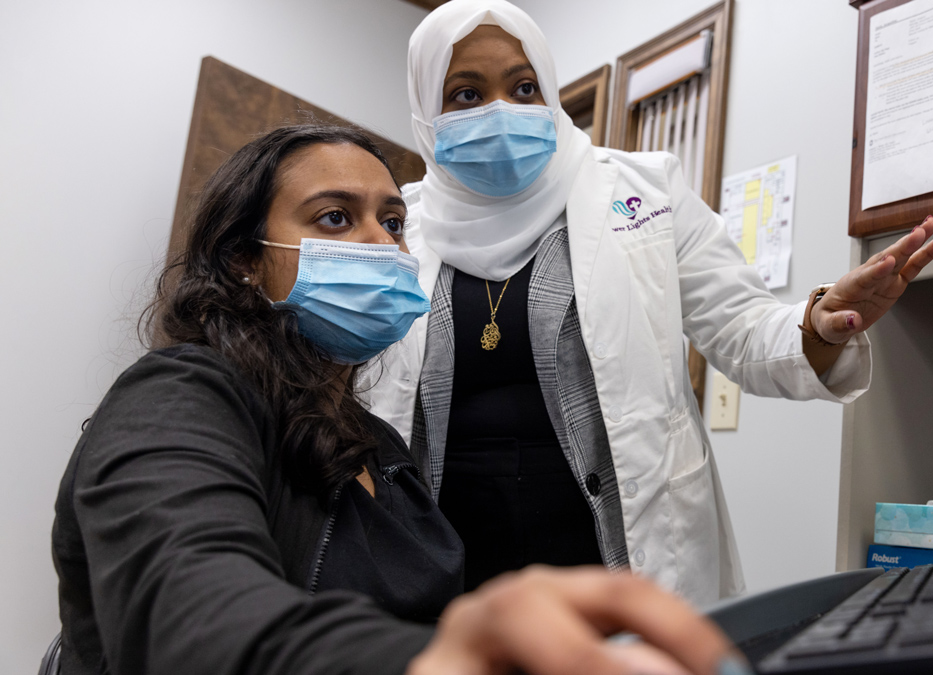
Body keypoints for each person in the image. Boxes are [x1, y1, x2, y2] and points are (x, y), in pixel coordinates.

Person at [51, 123, 750, 675]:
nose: (380, 244)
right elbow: (189, 615)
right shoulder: (179, 396)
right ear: (243, 259)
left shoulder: (377, 446)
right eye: (333, 219)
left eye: (392, 221)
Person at [366, 0, 933, 605]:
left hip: (615, 552)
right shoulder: (394, 228)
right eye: (465, 94)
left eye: (523, 86)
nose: (502, 111)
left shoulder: (644, 190)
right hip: (452, 562)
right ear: (425, 109)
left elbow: (742, 328)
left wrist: (817, 325)